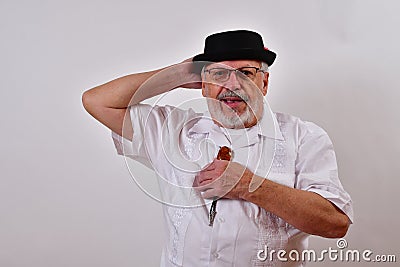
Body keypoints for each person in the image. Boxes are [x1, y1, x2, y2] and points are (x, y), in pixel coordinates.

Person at [82, 30, 353, 267]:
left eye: (246, 73)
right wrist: (177, 74)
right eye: (219, 74)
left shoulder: (304, 137)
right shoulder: (173, 130)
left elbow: (335, 223)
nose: (232, 85)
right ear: (203, 86)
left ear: (265, 83)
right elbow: (96, 101)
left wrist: (250, 186)